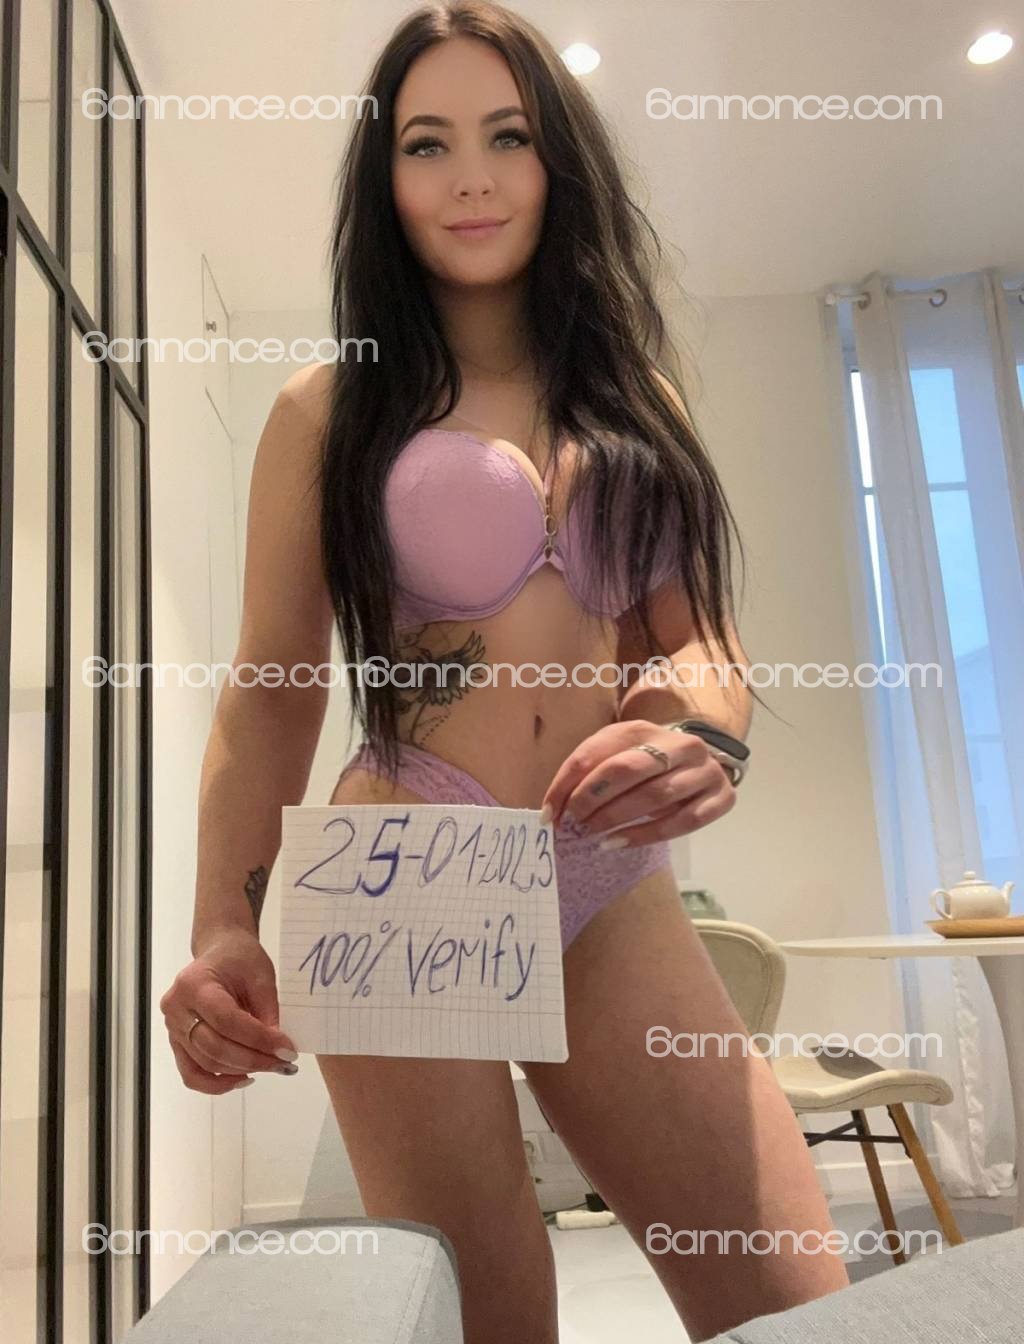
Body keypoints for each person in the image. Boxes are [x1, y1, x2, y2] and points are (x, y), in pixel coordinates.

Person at [160, 4, 851, 1341]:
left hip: (605, 863)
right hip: (403, 868)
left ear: (556, 160)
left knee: (789, 1296)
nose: (470, 177)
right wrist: (221, 928)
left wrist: (707, 737)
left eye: (507, 136)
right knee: (490, 1323)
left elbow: (700, 642)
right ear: (385, 181)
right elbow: (272, 688)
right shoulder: (328, 411)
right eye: (427, 143)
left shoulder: (639, 400)